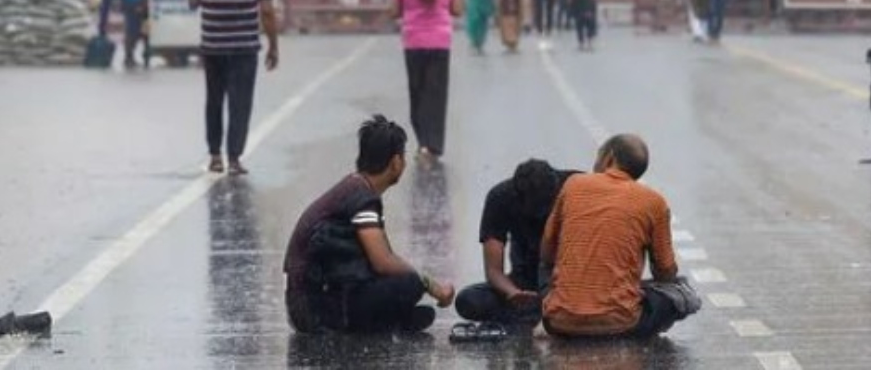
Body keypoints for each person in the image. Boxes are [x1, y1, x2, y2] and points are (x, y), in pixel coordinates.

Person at [283, 115, 455, 334]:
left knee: (407, 292)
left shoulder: (355, 188)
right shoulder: (362, 198)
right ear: (395, 162)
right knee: (409, 284)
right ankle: (378, 324)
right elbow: (383, 261)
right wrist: (429, 284)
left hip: (306, 306)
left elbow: (383, 255)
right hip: (317, 311)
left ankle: (386, 323)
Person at [540, 135, 690, 338]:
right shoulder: (654, 202)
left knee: (546, 268)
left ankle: (548, 312)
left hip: (559, 323)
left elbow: (547, 252)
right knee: (683, 295)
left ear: (609, 158)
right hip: (621, 324)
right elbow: (665, 272)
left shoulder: (573, 184)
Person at [189, 0, 280, 175]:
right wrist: (273, 46)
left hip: (213, 45)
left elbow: (193, 1)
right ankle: (235, 159)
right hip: (244, 47)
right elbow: (267, 11)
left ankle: (215, 156)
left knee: (214, 101)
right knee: (240, 103)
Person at [454, 160, 579, 327]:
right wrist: (513, 293)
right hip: (526, 284)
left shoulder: (576, 187)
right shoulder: (500, 198)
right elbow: (493, 270)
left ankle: (546, 312)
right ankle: (540, 312)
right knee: (468, 301)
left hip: (570, 283)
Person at [393, 0, 463, 158]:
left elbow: (395, 11)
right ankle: (431, 145)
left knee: (418, 94)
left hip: (413, 43)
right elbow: (457, 10)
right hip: (440, 43)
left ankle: (424, 141)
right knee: (436, 96)